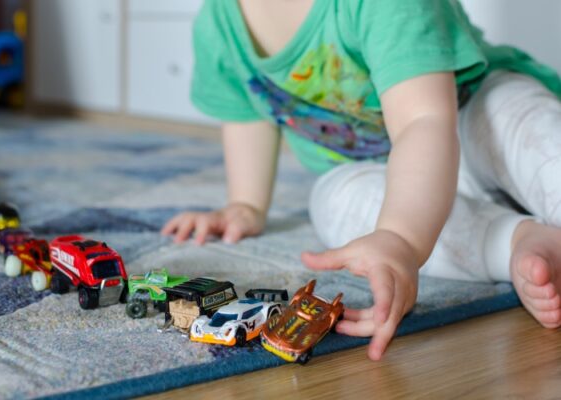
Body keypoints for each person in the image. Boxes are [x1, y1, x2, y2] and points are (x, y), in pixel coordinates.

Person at [161, 0, 561, 360]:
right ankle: (517, 239)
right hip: (386, 174)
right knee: (335, 201)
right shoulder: (218, 23)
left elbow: (424, 121)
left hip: (465, 120)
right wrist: (246, 204)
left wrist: (402, 237)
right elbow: (247, 111)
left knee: (516, 121)